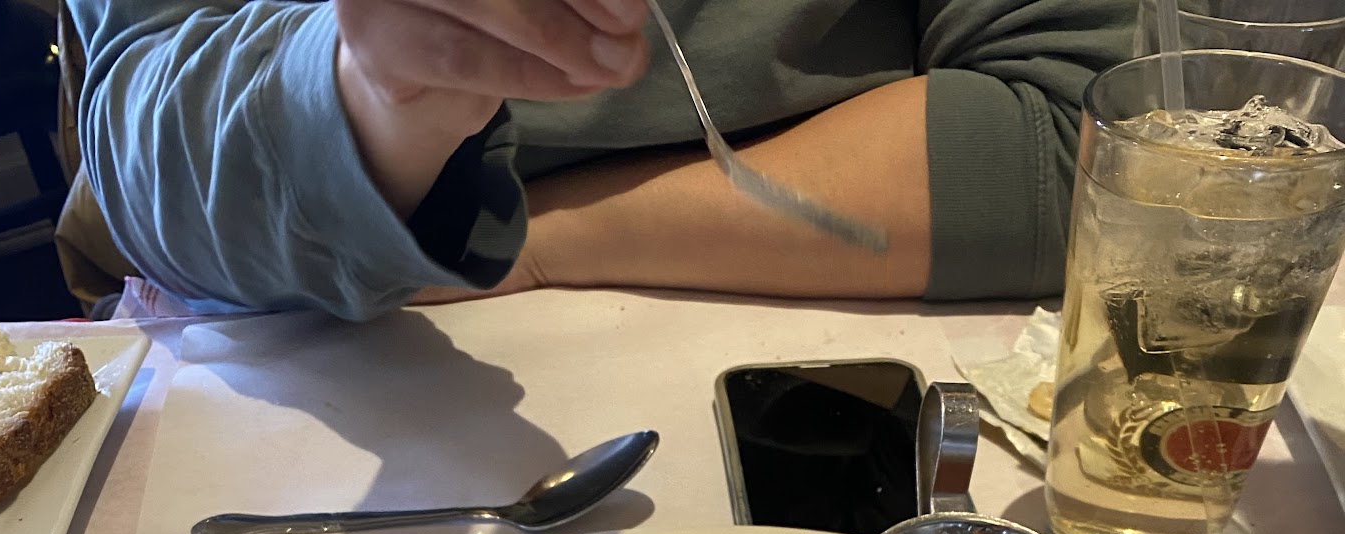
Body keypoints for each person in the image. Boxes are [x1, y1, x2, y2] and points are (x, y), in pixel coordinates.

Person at [63, 0, 1132, 319]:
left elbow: (1089, 143)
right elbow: (143, 138)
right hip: (292, 349)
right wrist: (370, 90)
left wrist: (544, 241)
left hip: (824, 369)